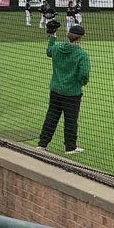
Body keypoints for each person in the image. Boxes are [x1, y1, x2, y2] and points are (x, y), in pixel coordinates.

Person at [37, 24, 90, 155]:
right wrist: (82, 82)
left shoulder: (58, 47)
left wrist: (53, 36)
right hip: (72, 92)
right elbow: (84, 74)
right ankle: (70, 147)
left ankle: (42, 144)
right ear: (80, 38)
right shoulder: (81, 54)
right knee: (71, 119)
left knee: (52, 116)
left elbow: (49, 51)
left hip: (55, 89)